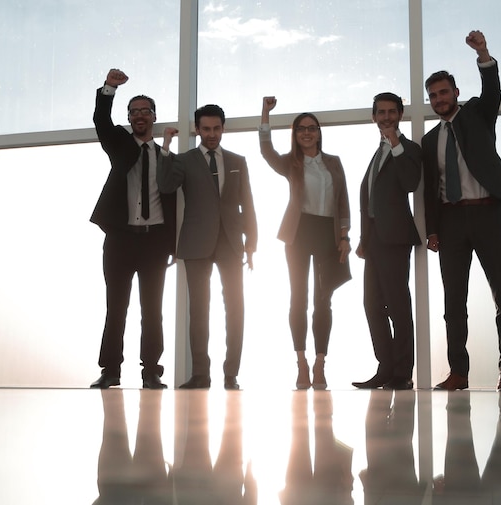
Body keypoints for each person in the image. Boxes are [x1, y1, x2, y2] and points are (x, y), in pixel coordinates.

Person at [422, 30, 501, 392]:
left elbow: (493, 90)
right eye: (432, 95)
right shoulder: (430, 140)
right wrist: (433, 229)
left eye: (444, 92)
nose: (438, 99)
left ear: (456, 93)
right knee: (453, 302)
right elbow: (431, 191)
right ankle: (458, 373)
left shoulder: (478, 113)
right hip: (451, 222)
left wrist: (483, 54)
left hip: (488, 214)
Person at [158, 104, 257, 390]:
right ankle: (201, 374)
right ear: (197, 130)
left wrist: (251, 242)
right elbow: (165, 186)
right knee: (199, 311)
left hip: (230, 242)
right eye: (206, 129)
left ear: (223, 128)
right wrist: (166, 147)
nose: (212, 134)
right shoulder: (184, 160)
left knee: (235, 309)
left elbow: (247, 203)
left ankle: (231, 374)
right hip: (196, 242)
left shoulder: (238, 160)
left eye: (216, 128)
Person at [90, 68, 176, 390]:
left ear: (153, 116)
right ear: (129, 117)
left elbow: (175, 203)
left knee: (153, 310)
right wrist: (109, 88)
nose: (140, 115)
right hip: (121, 240)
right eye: (134, 111)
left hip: (155, 242)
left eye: (145, 111)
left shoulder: (167, 158)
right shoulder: (120, 146)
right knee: (116, 308)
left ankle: (151, 371)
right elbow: (101, 121)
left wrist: (174, 246)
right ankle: (110, 370)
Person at [259, 96, 351, 390]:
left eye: (311, 128)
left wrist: (345, 236)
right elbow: (266, 151)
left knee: (324, 300)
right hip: (298, 233)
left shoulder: (334, 163)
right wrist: (265, 114)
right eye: (301, 129)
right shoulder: (291, 163)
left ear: (319, 132)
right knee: (298, 298)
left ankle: (320, 364)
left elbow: (344, 202)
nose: (307, 133)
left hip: (328, 233)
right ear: (295, 135)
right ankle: (301, 363)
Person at [352, 92, 422, 391]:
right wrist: (363, 239)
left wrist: (395, 144)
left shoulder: (408, 150)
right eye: (381, 112)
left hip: (395, 239)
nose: (386, 117)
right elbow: (370, 199)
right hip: (374, 242)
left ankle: (402, 373)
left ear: (400, 115)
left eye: (392, 112)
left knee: (398, 305)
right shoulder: (377, 152)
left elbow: (410, 183)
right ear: (373, 117)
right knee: (371, 303)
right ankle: (386, 367)